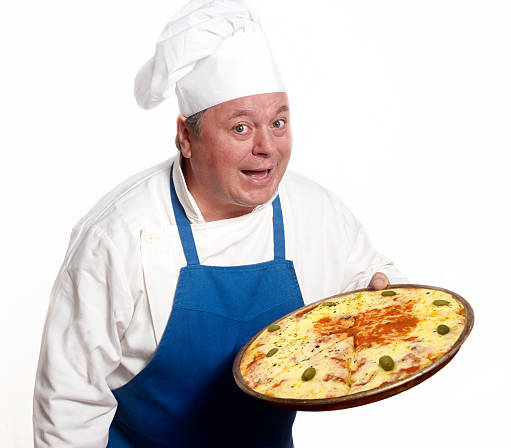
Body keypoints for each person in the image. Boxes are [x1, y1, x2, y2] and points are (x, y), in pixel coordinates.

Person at [33, 0, 407, 446]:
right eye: (241, 128)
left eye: (279, 122)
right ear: (186, 137)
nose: (266, 147)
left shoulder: (314, 210)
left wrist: (382, 301)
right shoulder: (116, 236)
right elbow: (70, 404)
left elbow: (373, 282)